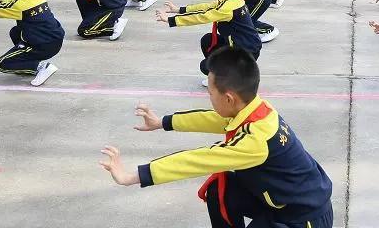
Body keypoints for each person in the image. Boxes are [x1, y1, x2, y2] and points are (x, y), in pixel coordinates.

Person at [98, 46, 334, 228]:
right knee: (221, 188)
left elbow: (197, 160)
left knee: (218, 175)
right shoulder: (257, 109)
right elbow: (215, 119)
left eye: (211, 93)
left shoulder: (255, 142)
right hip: (278, 200)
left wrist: (132, 176)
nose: (209, 97)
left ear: (229, 98)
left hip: (303, 219)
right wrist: (163, 122)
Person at [156, 0, 261, 87]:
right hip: (239, 45)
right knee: (208, 40)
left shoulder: (229, 6)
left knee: (205, 66)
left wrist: (170, 20)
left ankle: (233, 78)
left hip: (245, 52)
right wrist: (179, 9)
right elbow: (206, 7)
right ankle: (227, 73)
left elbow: (202, 17)